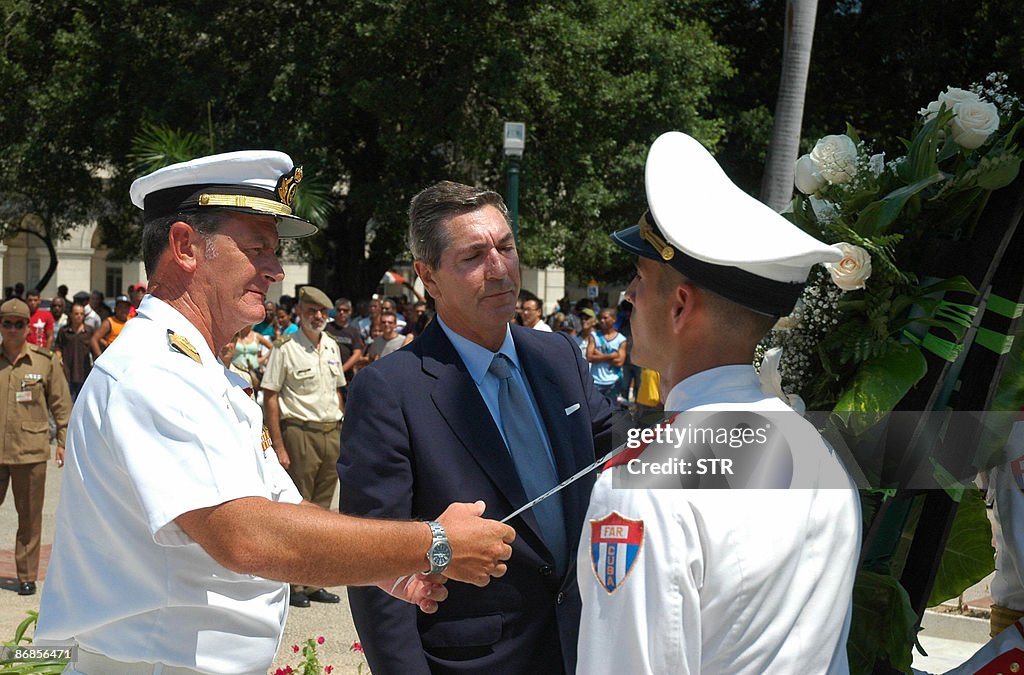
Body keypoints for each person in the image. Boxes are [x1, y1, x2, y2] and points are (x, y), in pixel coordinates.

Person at [35, 151, 514, 674]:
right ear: (185, 246)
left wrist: (386, 566)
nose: (276, 269)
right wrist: (432, 543)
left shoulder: (203, 373)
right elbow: (246, 534)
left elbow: (284, 508)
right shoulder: (152, 373)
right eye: (257, 248)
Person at [576, 131, 861, 673]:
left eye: (639, 279)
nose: (628, 298)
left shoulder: (643, 485)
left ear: (681, 306)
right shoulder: (819, 453)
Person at [339, 180, 623, 674]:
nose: (499, 269)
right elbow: (373, 565)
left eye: (506, 248)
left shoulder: (558, 357)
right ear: (428, 276)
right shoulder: (390, 390)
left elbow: (616, 447)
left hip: (584, 646)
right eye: (473, 256)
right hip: (474, 659)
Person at [261, 285, 346, 609]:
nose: (319, 317)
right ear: (301, 312)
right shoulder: (286, 348)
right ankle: (294, 583)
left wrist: (341, 424)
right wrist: (278, 444)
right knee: (300, 508)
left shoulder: (332, 347)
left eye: (323, 312)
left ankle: (313, 582)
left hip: (330, 432)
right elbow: (271, 395)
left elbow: (338, 390)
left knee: (322, 511)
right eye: (312, 312)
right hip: (300, 432)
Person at [0, 298, 72, 596]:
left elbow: (62, 406)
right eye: (7, 323)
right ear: (1, 326)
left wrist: (63, 443)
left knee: (29, 518)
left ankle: (26, 575)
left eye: (19, 324)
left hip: (30, 452)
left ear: (28, 327)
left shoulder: (44, 362)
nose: (13, 329)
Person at [54, 303, 94, 401]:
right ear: (71, 315)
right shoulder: (64, 331)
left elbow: (95, 349)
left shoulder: (89, 331)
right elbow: (58, 346)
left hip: (84, 372)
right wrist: (59, 358)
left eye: (81, 314)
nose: (79, 316)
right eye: (76, 314)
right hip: (68, 372)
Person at [586, 307, 627, 403]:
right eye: (600, 318)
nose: (602, 321)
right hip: (596, 381)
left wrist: (598, 354)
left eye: (605, 318)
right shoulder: (594, 336)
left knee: (611, 409)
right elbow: (589, 357)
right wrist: (611, 356)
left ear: (614, 319)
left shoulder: (621, 339)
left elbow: (620, 362)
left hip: (613, 382)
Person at [324, 296, 365, 392]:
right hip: (327, 374)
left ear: (350, 312)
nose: (342, 313)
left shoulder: (353, 331)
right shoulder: (326, 328)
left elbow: (357, 353)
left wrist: (341, 370)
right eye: (339, 310)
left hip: (346, 377)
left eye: (345, 310)